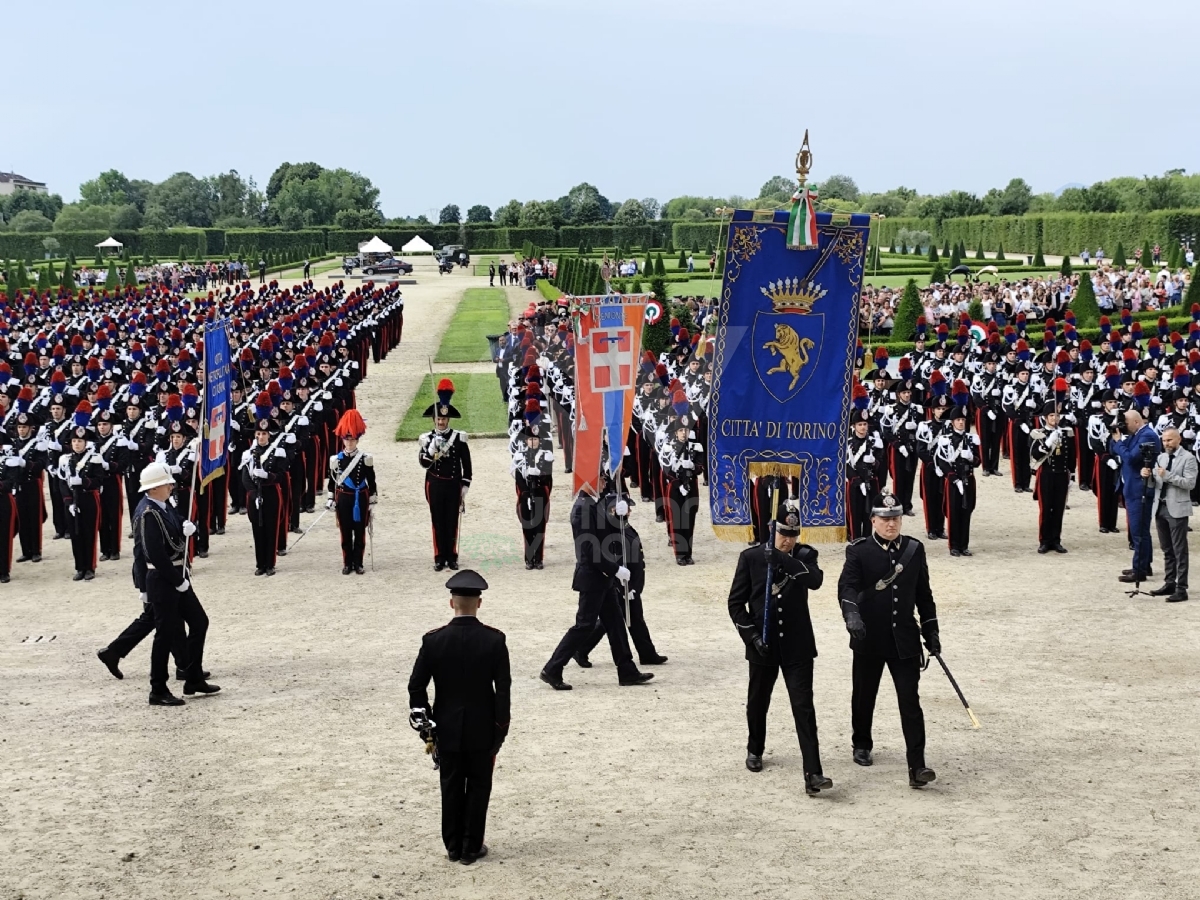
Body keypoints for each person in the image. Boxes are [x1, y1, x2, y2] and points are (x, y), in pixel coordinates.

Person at [407, 570, 511, 865]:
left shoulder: (433, 641)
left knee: (450, 784)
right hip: (483, 725)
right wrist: (501, 727)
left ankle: (452, 845)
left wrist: (425, 723)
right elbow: (503, 689)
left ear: (451, 603)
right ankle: (470, 846)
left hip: (446, 726)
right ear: (479, 603)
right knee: (479, 786)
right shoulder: (494, 640)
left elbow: (416, 686)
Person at [727, 504, 832, 794]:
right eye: (784, 534)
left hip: (797, 646)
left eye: (793, 535)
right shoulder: (750, 558)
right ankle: (755, 747)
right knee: (758, 701)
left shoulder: (805, 555)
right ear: (773, 530)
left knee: (804, 708)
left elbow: (815, 581)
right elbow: (735, 603)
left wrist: (784, 560)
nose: (789, 540)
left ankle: (813, 772)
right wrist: (751, 637)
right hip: (763, 644)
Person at [837, 492, 939, 789]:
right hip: (868, 637)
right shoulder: (859, 550)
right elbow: (848, 587)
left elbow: (924, 595)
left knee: (910, 701)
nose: (891, 524)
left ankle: (917, 766)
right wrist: (852, 616)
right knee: (864, 694)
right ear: (873, 521)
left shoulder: (914, 549)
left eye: (895, 518)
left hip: (904, 639)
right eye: (885, 519)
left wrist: (931, 632)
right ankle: (862, 742)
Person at [540, 482, 654, 690]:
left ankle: (627, 670)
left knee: (616, 624)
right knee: (584, 626)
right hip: (593, 577)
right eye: (599, 479)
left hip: (603, 578)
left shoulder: (594, 504)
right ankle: (553, 668)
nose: (603, 483)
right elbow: (589, 550)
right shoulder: (583, 508)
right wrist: (615, 569)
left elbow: (608, 531)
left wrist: (619, 514)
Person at [131, 461, 219, 706]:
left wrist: (183, 526)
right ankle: (157, 689)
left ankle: (193, 677)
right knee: (165, 635)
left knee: (199, 621)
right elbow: (154, 554)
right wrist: (176, 581)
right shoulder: (148, 513)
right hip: (163, 579)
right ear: (154, 487)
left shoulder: (162, 505)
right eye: (166, 483)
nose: (171, 486)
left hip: (176, 575)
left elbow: (174, 520)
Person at [418, 380, 472, 571]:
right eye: (438, 420)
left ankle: (452, 556)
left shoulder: (458, 438)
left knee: (452, 521)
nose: (441, 422)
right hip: (435, 484)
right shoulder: (428, 439)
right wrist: (431, 449)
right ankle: (439, 556)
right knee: (437, 520)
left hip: (453, 484)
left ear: (448, 419)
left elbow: (467, 464)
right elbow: (423, 463)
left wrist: (465, 485)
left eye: (444, 419)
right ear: (434, 420)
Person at [1111, 409, 1162, 583]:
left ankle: (1139, 570)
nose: (1123, 426)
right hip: (1133, 488)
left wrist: (1119, 442)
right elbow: (1118, 451)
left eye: (1125, 422)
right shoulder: (1137, 435)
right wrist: (1117, 438)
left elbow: (1131, 458)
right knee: (1141, 531)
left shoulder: (1146, 435)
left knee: (1138, 532)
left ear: (1136, 422)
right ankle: (1144, 565)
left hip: (1139, 489)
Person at [1147, 427, 1196, 602]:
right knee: (1167, 549)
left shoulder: (1188, 459)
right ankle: (1169, 582)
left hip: (1177, 509)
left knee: (1179, 550)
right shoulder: (1160, 457)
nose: (1166, 443)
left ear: (1179, 440)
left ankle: (1181, 588)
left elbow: (1190, 483)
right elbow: (1155, 483)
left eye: (1170, 440)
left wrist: (1167, 475)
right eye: (1164, 440)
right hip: (1160, 508)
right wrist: (1148, 477)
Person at [327, 409, 377, 575]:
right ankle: (347, 562)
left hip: (359, 497)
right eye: (347, 440)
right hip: (343, 498)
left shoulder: (365, 458)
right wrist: (330, 498)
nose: (349, 443)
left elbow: (372, 480)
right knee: (345, 531)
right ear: (343, 440)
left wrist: (372, 500)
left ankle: (358, 562)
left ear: (357, 439)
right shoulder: (336, 460)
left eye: (352, 440)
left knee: (360, 531)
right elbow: (332, 481)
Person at [1031, 403, 1071, 554]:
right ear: (1045, 418)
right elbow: (1035, 454)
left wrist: (1071, 475)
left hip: (1061, 475)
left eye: (1057, 415)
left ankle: (1056, 540)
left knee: (1059, 508)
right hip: (1046, 475)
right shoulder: (1038, 433)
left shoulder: (1066, 433)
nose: (1055, 418)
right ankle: (1044, 540)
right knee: (1046, 508)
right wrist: (1048, 442)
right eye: (1052, 416)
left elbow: (1070, 456)